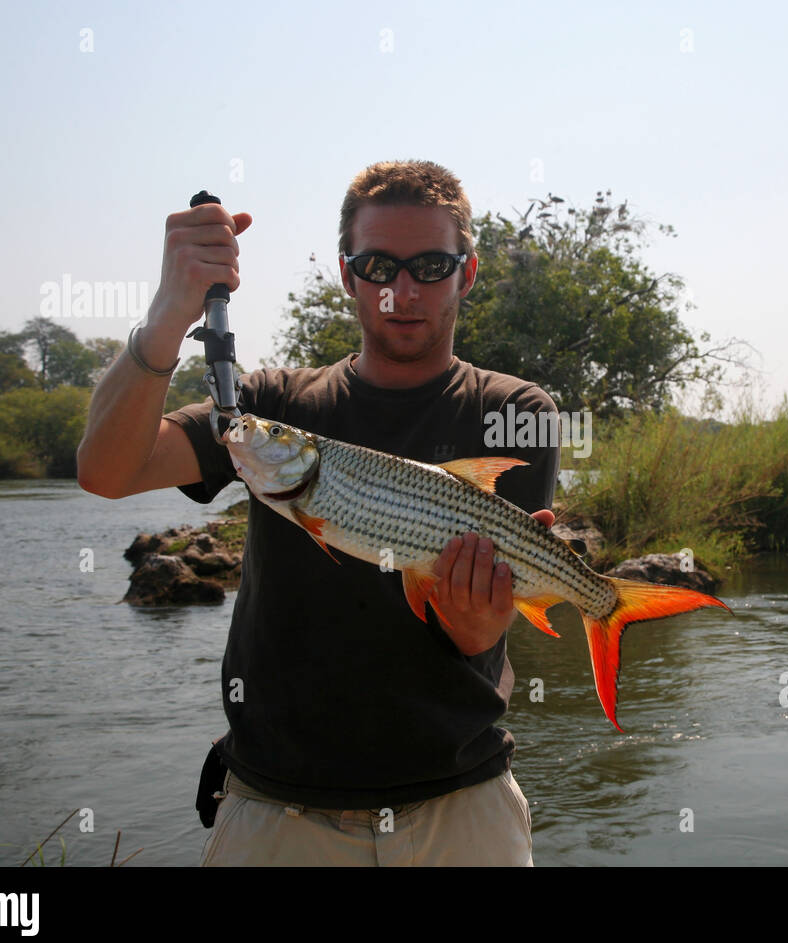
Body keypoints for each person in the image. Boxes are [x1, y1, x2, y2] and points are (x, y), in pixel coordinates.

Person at [77, 160, 560, 865]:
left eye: (431, 264)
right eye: (377, 265)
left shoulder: (518, 414)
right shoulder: (267, 409)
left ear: (468, 272)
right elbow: (106, 471)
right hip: (277, 810)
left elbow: (478, 637)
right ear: (346, 274)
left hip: (463, 807)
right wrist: (166, 317)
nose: (402, 290)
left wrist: (479, 617)